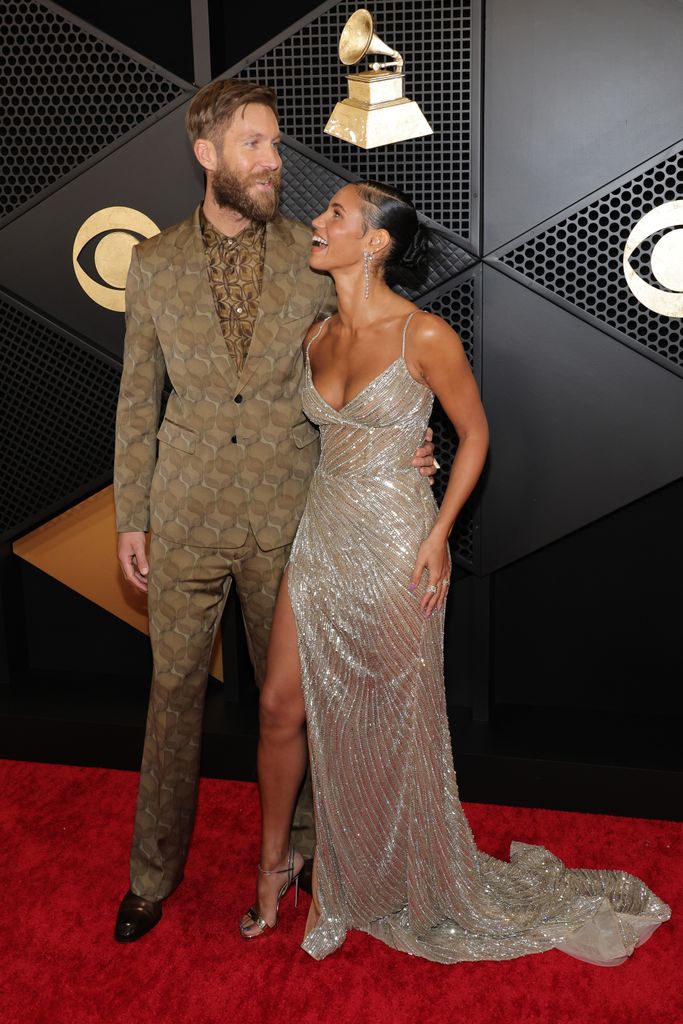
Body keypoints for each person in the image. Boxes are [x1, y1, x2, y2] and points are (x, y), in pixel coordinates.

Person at [239, 179, 671, 964]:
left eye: (336, 213)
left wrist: (439, 532)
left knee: (395, 721)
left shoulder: (423, 336)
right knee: (276, 707)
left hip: (400, 544)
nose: (318, 221)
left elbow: (472, 435)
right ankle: (276, 868)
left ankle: (395, 869)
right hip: (323, 533)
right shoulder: (313, 334)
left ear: (375, 243)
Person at [112, 81, 435, 943]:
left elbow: (374, 350)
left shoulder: (311, 252)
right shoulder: (151, 262)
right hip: (181, 516)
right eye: (255, 145)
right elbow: (137, 398)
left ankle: (308, 852)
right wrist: (130, 515)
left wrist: (407, 434)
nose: (273, 162)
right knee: (171, 696)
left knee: (297, 705)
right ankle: (152, 871)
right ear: (206, 154)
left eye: (277, 145)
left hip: (293, 518)